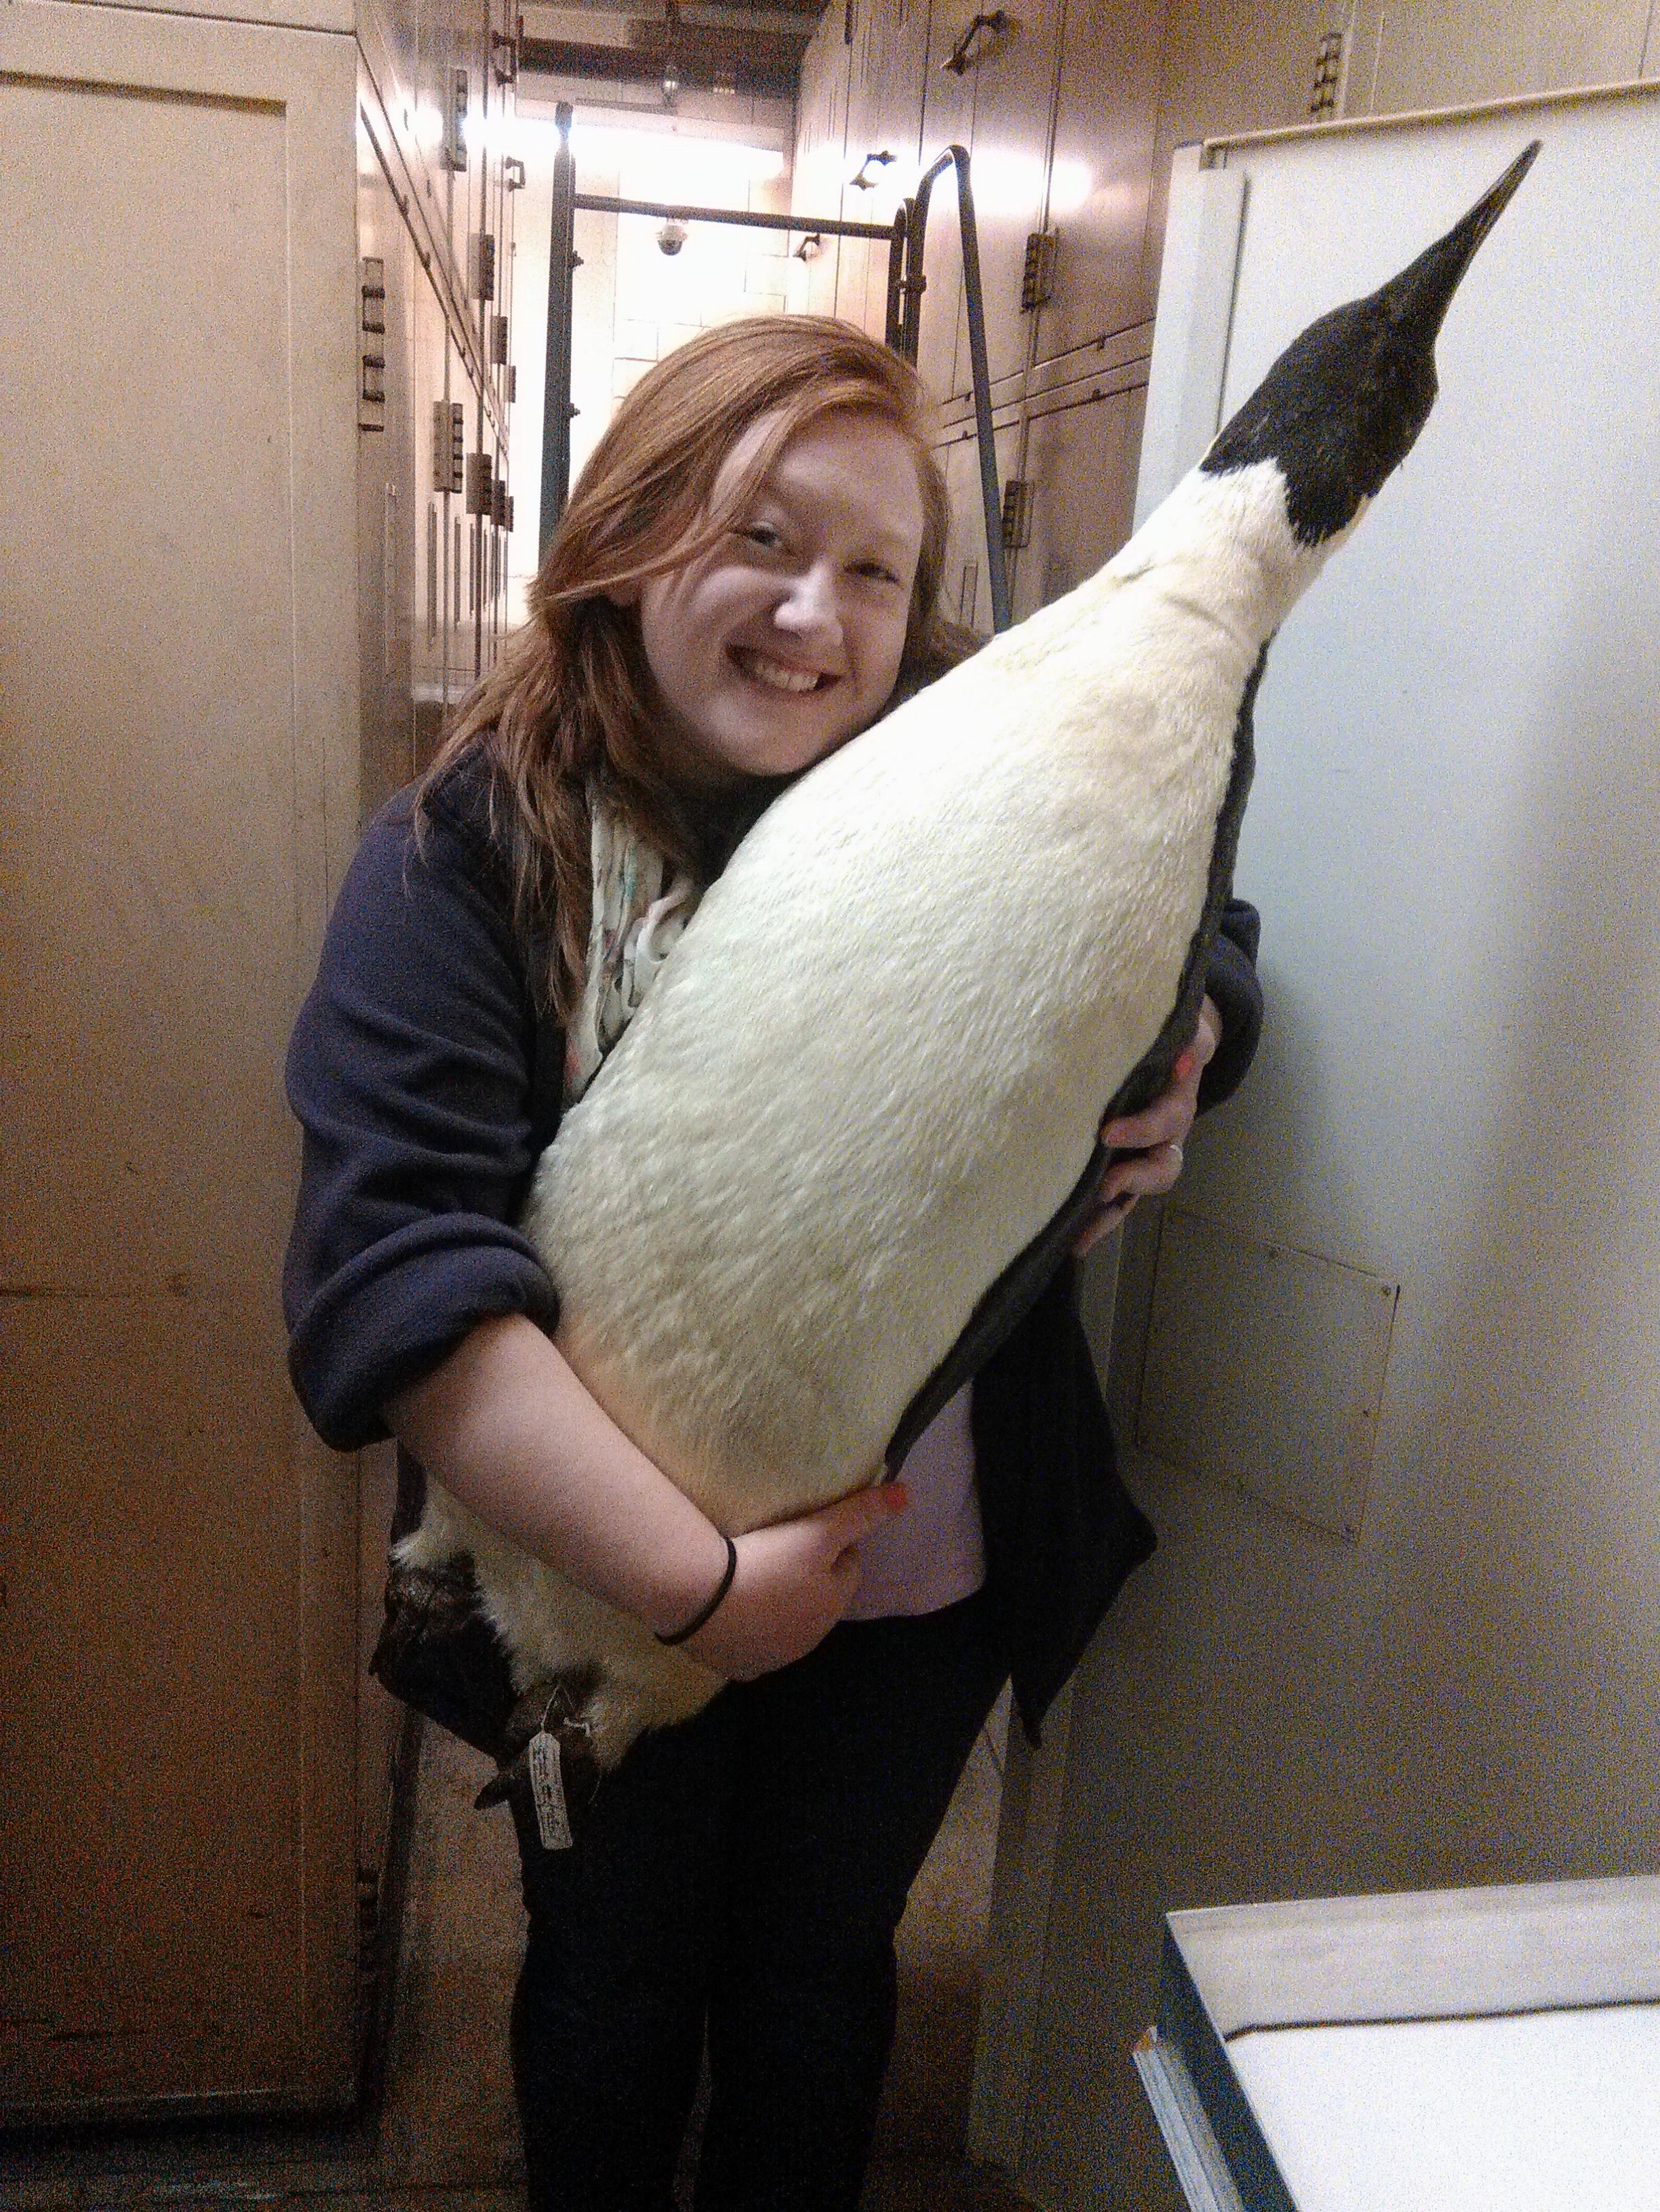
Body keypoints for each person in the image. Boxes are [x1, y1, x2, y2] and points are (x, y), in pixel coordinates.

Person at [283, 315, 1263, 2211]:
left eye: (874, 573)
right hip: (607, 1586)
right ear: (632, 535)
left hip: (923, 1572)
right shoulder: (467, 857)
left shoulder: (969, 767)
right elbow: (404, 1276)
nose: (815, 614)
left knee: (821, 1983)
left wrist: (1189, 1044)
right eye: (759, 537)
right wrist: (695, 1584)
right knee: (615, 1984)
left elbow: (1188, 903)